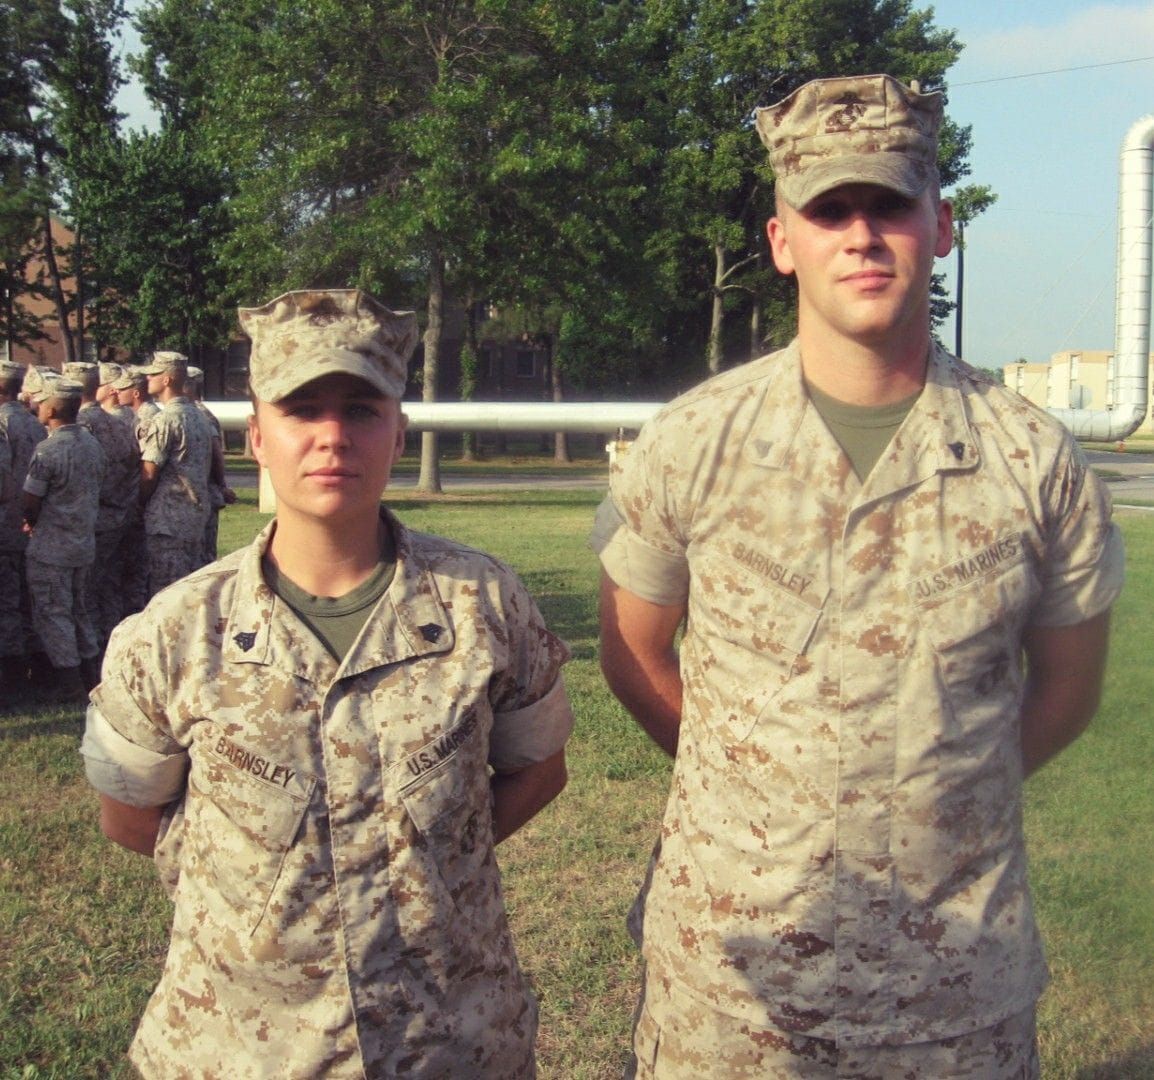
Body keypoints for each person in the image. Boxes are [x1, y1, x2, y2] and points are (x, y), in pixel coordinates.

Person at [591, 74, 1123, 1078]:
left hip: (950, 992)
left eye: (889, 204)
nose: (860, 233)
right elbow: (633, 652)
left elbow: (1065, 689)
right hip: (733, 994)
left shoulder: (1032, 460)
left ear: (940, 226)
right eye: (828, 208)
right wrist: (750, 790)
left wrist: (937, 796)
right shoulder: (692, 442)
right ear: (780, 240)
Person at [81, 288, 574, 1077]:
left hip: (449, 1042)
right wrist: (255, 890)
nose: (332, 436)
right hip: (245, 1048)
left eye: (362, 408)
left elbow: (537, 770)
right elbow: (129, 816)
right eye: (302, 409)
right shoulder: (177, 631)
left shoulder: (484, 603)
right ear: (257, 435)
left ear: (399, 430)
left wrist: (425, 865)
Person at [22, 378, 105, 701]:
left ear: (53, 408)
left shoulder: (49, 450)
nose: (36, 407)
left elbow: (31, 501)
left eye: (41, 403)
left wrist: (30, 521)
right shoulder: (91, 444)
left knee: (53, 613)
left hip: (52, 547)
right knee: (79, 610)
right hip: (83, 543)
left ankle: (69, 682)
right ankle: (89, 674)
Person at [136, 351, 214, 594]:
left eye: (154, 375)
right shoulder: (199, 416)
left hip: (168, 521)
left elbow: (149, 472)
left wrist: (138, 504)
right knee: (191, 590)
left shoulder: (166, 419)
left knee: (165, 592)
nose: (148, 379)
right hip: (194, 516)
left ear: (167, 379)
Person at [0, 360, 47, 698]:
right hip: (29, 520)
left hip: (7, 520)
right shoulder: (33, 423)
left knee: (8, 601)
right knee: (24, 598)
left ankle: (13, 674)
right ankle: (33, 666)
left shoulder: (3, 422)